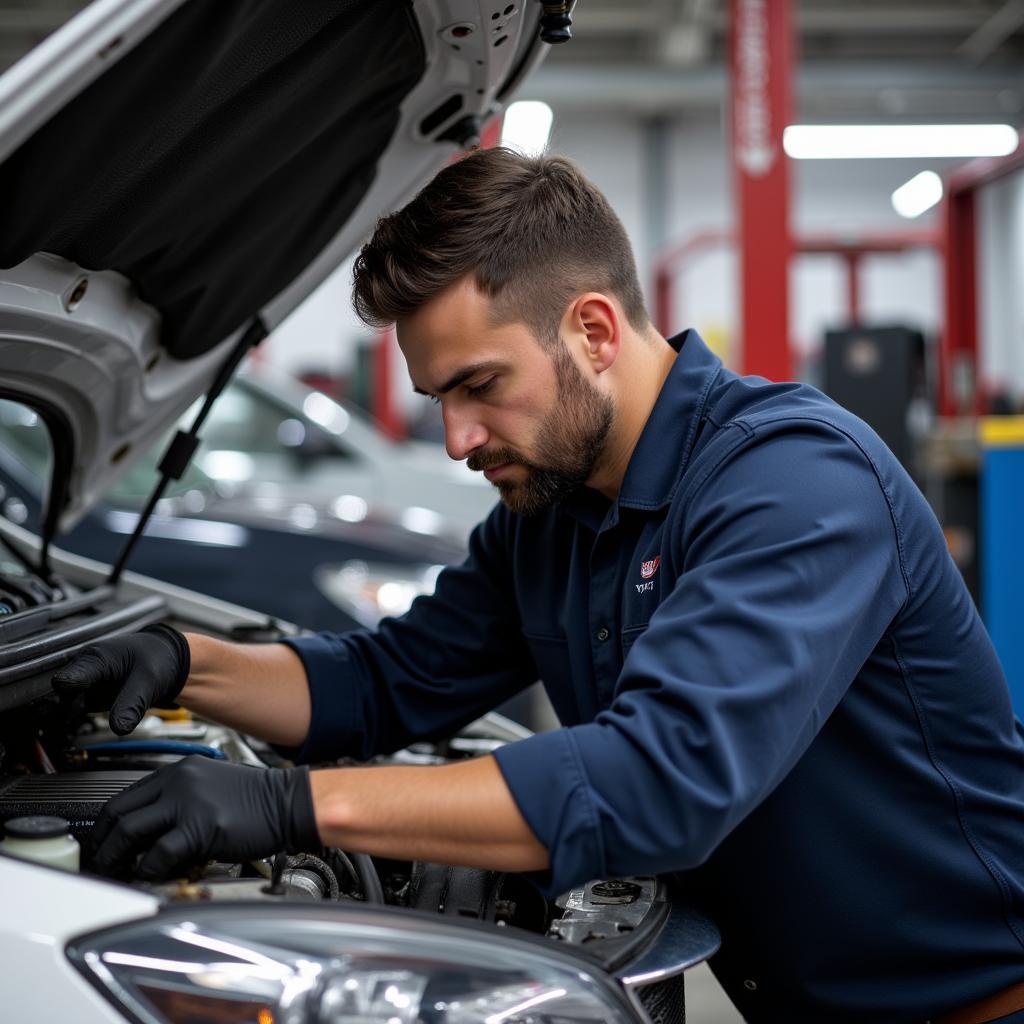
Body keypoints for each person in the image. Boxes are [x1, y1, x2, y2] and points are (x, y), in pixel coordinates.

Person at [53, 148, 1024, 1023]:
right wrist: (177, 661)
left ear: (593, 330)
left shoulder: (794, 483)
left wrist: (288, 805)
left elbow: (658, 782)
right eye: (441, 399)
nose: (456, 438)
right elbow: (386, 680)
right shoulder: (552, 516)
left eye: (480, 385)